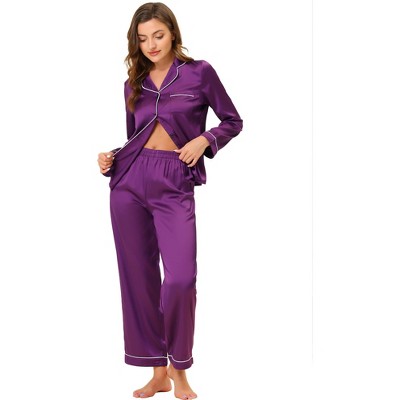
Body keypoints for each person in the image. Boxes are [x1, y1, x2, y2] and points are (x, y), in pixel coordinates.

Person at [97, 2, 243, 399]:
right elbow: (136, 136)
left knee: (180, 279)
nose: (151, 45)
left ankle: (180, 370)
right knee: (139, 279)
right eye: (143, 39)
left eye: (158, 35)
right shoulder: (133, 83)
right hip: (129, 181)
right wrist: (111, 157)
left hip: (174, 180)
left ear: (173, 33)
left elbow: (233, 121)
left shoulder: (199, 72)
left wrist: (205, 139)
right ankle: (157, 373)